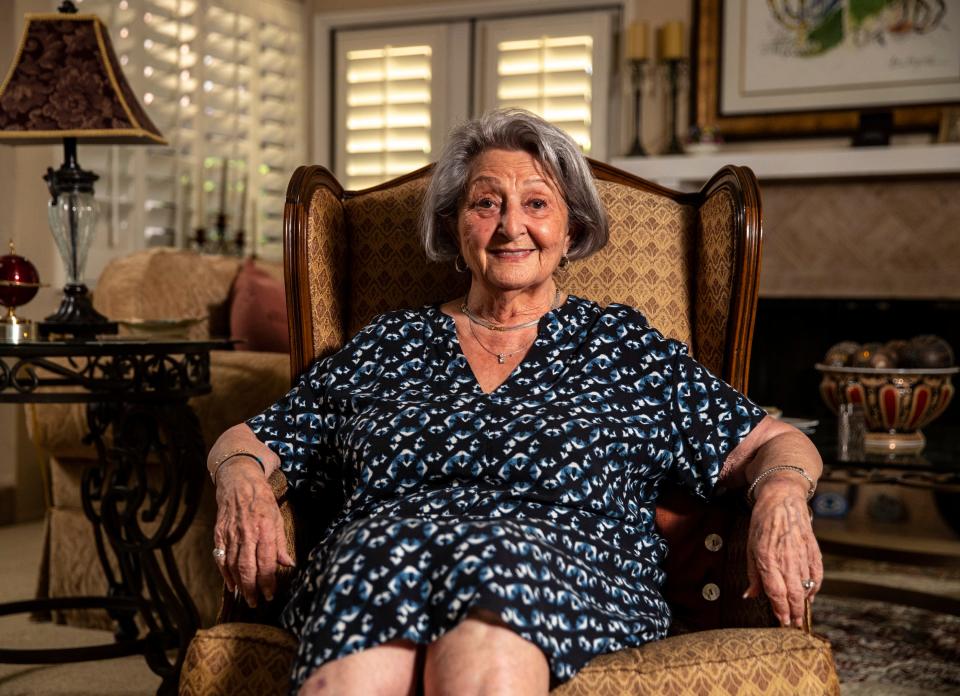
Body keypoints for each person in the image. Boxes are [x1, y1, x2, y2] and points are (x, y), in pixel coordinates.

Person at [207, 108, 824, 696]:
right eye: (485, 203)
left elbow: (774, 441)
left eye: (536, 203)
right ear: (454, 224)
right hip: (380, 557)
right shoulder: (389, 343)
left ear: (572, 228)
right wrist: (242, 482)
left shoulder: (624, 346)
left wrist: (782, 494)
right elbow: (251, 438)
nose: (510, 227)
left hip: (557, 569)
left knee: (491, 615)